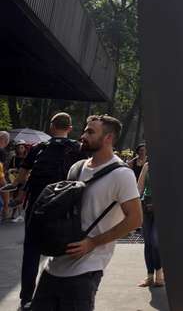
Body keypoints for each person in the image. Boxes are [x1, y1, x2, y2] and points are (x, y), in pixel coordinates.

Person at [32, 115, 142, 310]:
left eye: (91, 132)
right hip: (54, 265)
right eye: (85, 130)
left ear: (108, 138)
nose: (83, 135)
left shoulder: (122, 175)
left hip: (86, 270)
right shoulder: (77, 168)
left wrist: (93, 242)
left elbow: (135, 219)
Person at [15, 113, 86, 309]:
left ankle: (27, 298)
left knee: (31, 251)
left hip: (37, 206)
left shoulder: (39, 148)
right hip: (64, 206)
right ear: (70, 128)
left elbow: (22, 174)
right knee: (63, 250)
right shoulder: (77, 149)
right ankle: (59, 297)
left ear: (51, 126)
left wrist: (17, 190)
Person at [137, 162, 164, 288]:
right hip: (146, 206)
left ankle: (160, 275)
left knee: (155, 242)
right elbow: (139, 188)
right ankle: (149, 277)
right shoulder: (147, 166)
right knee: (148, 242)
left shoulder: (165, 164)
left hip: (161, 207)